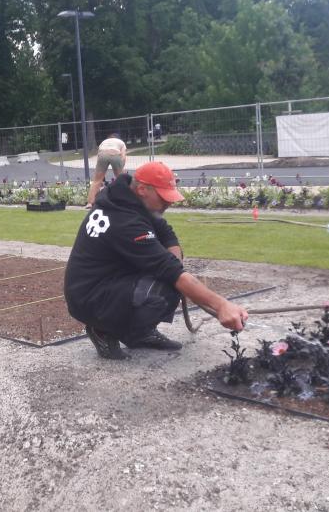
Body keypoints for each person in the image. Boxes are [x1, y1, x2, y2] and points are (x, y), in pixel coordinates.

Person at [64, 161, 248, 360]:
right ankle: (102, 330)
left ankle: (138, 334)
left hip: (107, 283)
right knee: (162, 290)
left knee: (170, 281)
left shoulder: (128, 201)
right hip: (90, 298)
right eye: (163, 198)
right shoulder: (125, 221)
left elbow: (167, 235)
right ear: (143, 189)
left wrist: (173, 263)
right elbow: (172, 272)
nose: (168, 203)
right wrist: (222, 306)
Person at [85, 135, 128, 209]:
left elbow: (99, 155)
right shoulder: (121, 143)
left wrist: (99, 170)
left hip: (102, 154)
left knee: (96, 181)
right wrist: (121, 167)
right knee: (121, 179)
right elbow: (123, 156)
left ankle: (90, 203)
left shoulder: (103, 142)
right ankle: (125, 201)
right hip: (115, 154)